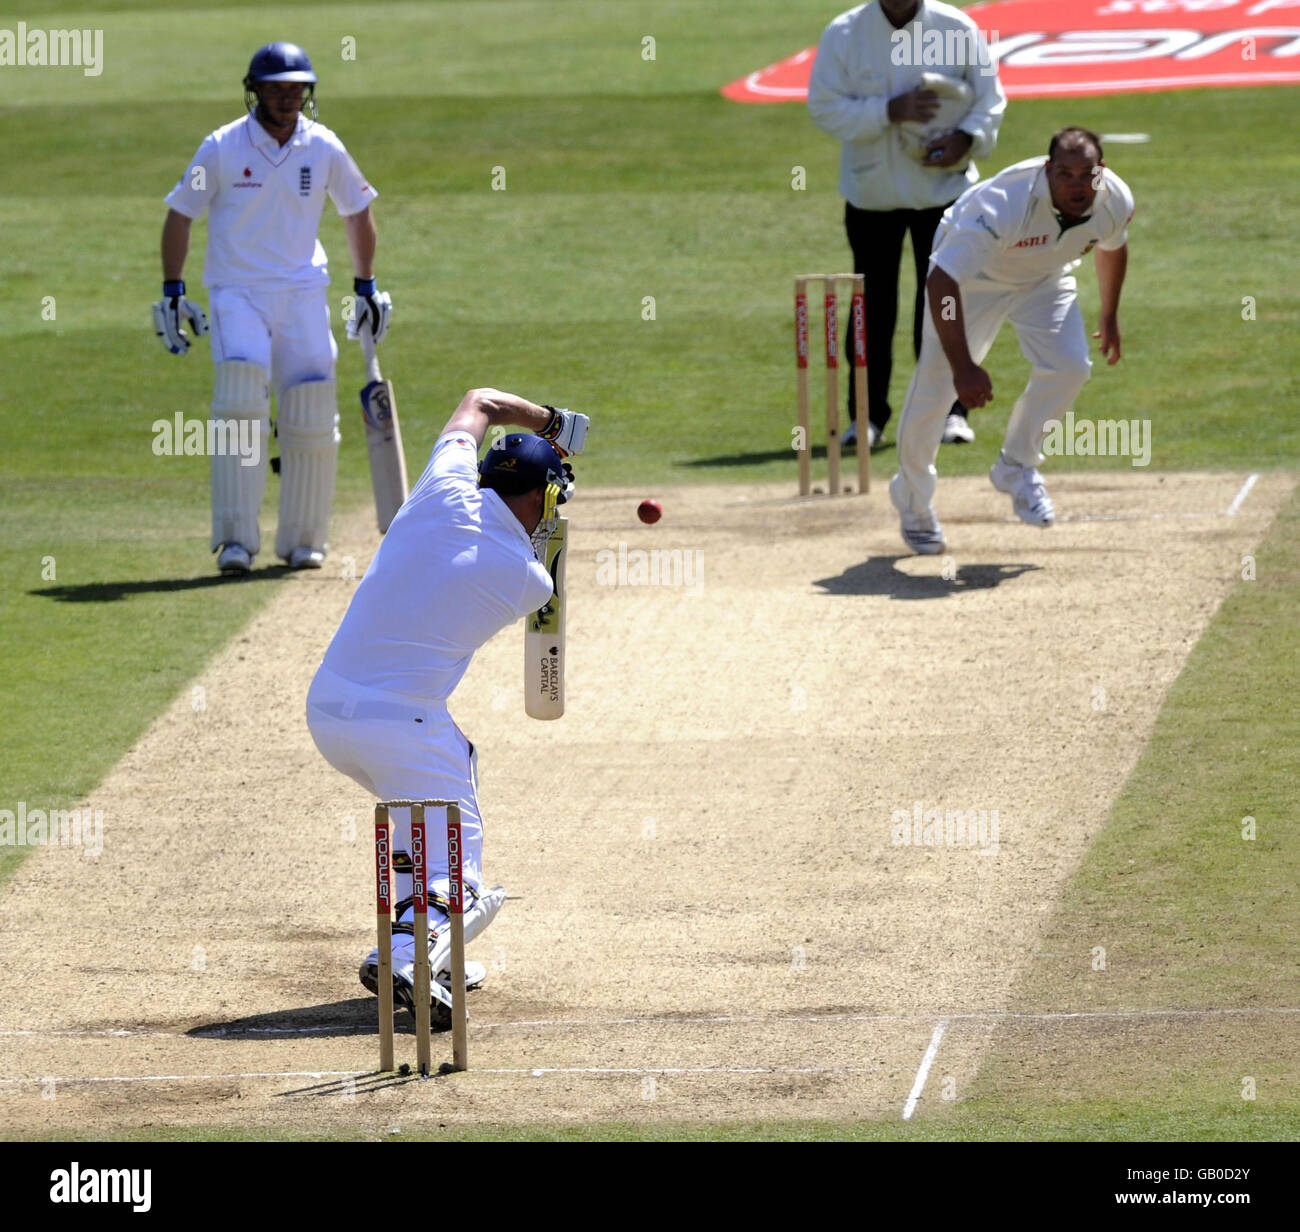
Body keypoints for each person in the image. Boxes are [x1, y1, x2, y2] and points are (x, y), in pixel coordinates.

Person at [306, 393, 588, 1020]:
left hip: (328, 708)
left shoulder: (441, 485)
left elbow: (478, 403)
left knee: (422, 814)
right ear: (541, 497)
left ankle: (417, 945)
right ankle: (409, 957)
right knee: (467, 874)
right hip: (397, 725)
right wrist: (549, 507)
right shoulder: (527, 580)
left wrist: (549, 424)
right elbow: (534, 563)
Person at [154, 41, 390, 575]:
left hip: (303, 291)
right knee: (241, 395)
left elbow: (358, 211)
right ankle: (236, 541)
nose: (287, 98)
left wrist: (366, 285)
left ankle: (304, 539)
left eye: (296, 88)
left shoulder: (323, 145)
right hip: (236, 292)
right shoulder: (221, 147)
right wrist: (173, 289)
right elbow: (180, 213)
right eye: (277, 88)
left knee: (310, 404)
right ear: (254, 90)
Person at [889, 128, 1134, 554]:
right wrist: (964, 367)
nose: (1077, 186)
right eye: (1065, 174)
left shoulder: (1115, 199)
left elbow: (1112, 245)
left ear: (1103, 171)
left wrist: (1109, 313)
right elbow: (941, 282)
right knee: (936, 390)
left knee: (1070, 367)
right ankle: (913, 502)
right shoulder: (1002, 205)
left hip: (1044, 278)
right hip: (972, 283)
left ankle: (1016, 466)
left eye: (1087, 174)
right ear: (1047, 171)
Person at [808, 0, 1005, 449]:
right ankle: (867, 417)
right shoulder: (845, 33)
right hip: (872, 193)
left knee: (944, 304)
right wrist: (887, 111)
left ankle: (949, 413)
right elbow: (823, 107)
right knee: (871, 307)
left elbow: (989, 99)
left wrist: (967, 138)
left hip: (944, 193)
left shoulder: (956, 26)